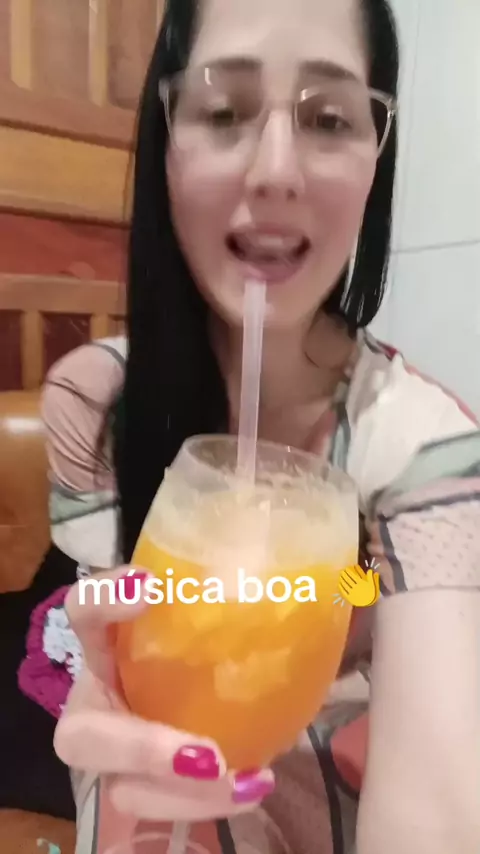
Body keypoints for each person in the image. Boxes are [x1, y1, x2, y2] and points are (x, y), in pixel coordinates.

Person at [25, 0, 480, 851]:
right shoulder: (96, 400)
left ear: (377, 157)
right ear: (167, 138)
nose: (275, 172)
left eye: (329, 119)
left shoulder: (428, 454)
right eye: (224, 109)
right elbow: (115, 666)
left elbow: (439, 811)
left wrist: (351, 596)